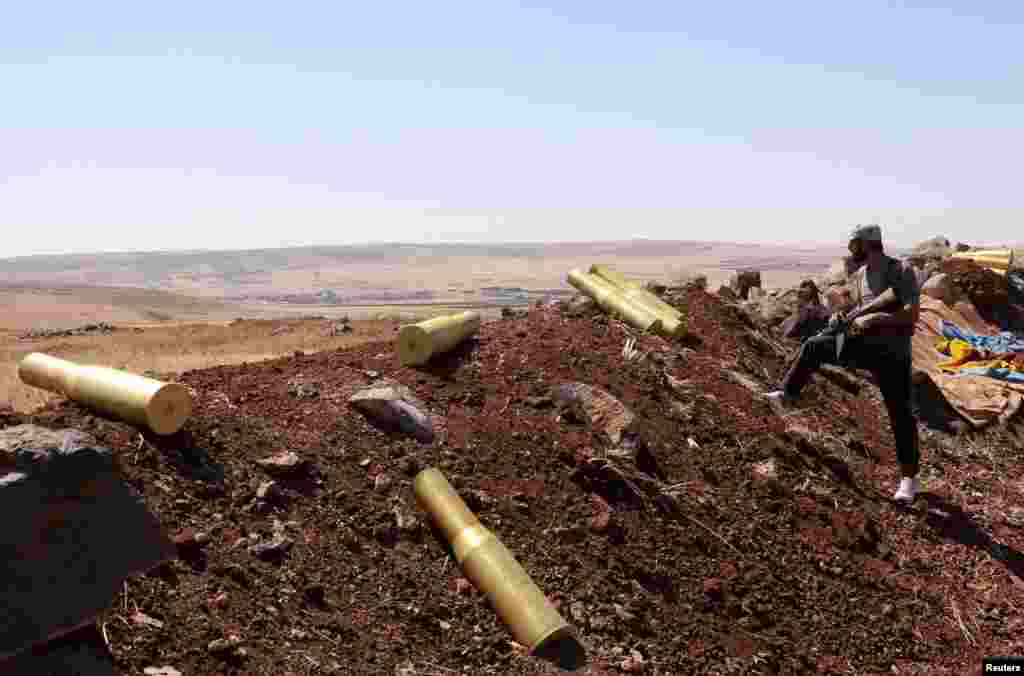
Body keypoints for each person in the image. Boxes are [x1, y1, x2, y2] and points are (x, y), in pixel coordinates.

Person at [765, 224, 923, 503]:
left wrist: (874, 319)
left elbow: (910, 315)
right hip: (862, 346)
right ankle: (789, 394)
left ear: (869, 244)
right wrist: (841, 318)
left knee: (900, 415)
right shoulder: (861, 275)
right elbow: (857, 308)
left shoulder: (901, 271)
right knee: (814, 345)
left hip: (893, 354)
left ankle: (909, 480)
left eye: (855, 245)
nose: (851, 251)